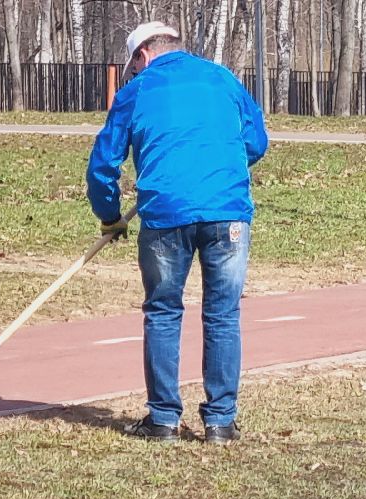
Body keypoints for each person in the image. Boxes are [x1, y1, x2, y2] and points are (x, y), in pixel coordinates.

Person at [87, 20, 267, 444]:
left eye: (132, 66)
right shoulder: (222, 78)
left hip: (166, 212)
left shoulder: (135, 91)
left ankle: (163, 419)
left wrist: (109, 216)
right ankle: (221, 421)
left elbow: (102, 167)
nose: (132, 73)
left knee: (164, 311)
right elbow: (256, 142)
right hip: (228, 213)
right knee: (223, 313)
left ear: (143, 54)